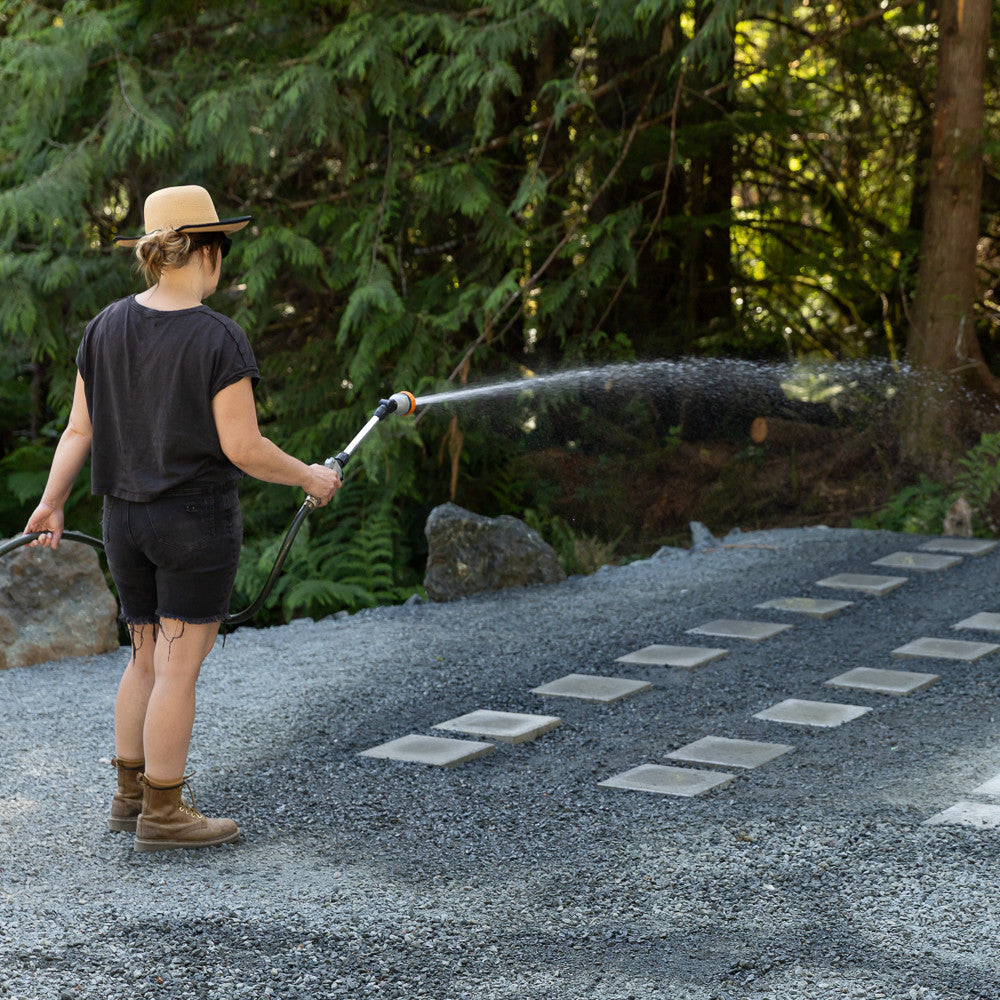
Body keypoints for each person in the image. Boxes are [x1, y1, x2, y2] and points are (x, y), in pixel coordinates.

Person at [23, 185, 342, 853]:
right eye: (220, 246)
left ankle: (130, 796)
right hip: (193, 523)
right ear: (206, 253)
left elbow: (79, 430)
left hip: (123, 521)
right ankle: (165, 814)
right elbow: (243, 448)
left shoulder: (104, 326)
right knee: (176, 668)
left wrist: (52, 501)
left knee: (143, 659)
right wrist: (311, 476)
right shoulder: (217, 337)